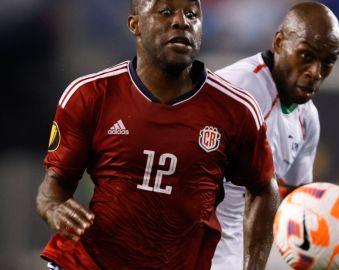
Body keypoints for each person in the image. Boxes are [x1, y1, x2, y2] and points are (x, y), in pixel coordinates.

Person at [36, 0, 279, 269]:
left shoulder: (236, 110)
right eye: (165, 12)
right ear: (135, 25)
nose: (181, 22)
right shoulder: (90, 95)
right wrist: (54, 207)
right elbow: (54, 188)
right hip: (87, 262)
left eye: (192, 15)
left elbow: (263, 189)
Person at [211, 2, 339, 269]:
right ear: (280, 43)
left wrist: (329, 236)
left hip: (237, 260)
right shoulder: (233, 91)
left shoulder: (308, 119)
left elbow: (295, 202)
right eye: (306, 56)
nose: (315, 73)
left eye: (327, 62)